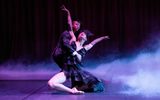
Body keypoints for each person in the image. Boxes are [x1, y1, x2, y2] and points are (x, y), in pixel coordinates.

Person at [48, 29, 109, 94]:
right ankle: (72, 91)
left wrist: (103, 38)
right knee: (51, 83)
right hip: (68, 70)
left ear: (86, 39)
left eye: (84, 34)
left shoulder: (85, 48)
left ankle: (76, 88)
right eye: (81, 33)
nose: (82, 33)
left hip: (78, 71)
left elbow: (94, 42)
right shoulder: (72, 42)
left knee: (97, 84)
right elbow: (70, 32)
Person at [48, 5, 84, 94]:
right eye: (76, 24)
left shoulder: (74, 36)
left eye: (79, 24)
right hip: (60, 56)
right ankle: (73, 88)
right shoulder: (68, 33)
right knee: (53, 83)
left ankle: (73, 88)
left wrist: (76, 52)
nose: (78, 25)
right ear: (72, 25)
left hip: (66, 64)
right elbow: (69, 23)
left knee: (53, 83)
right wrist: (68, 13)